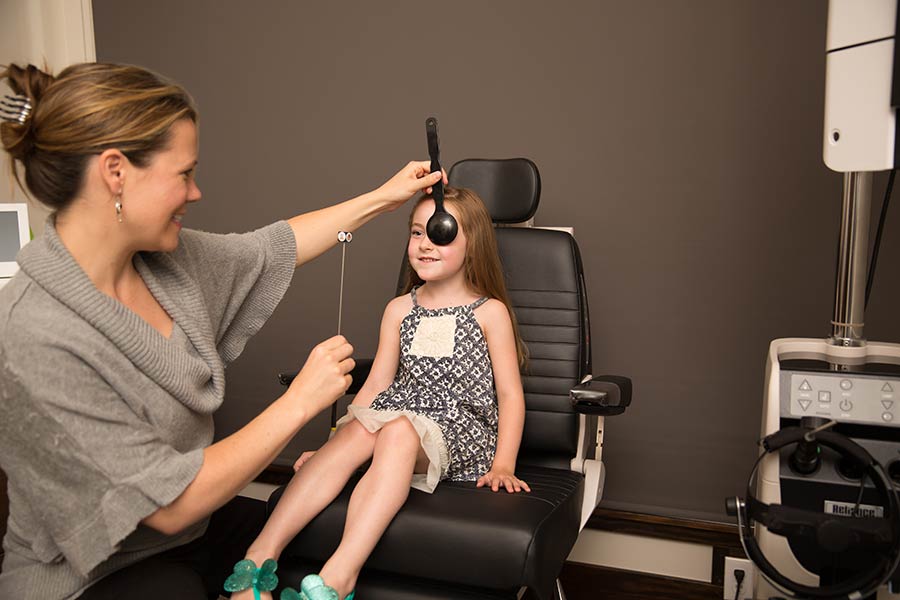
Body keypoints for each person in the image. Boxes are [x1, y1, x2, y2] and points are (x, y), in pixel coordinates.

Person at [0, 62, 445, 600]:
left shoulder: (168, 263)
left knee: (314, 547)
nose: (195, 193)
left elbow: (274, 248)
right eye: (183, 174)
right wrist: (300, 402)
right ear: (115, 172)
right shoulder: (34, 334)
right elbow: (168, 506)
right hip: (91, 578)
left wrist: (383, 197)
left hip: (193, 536)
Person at [232, 187, 531, 600]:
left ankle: (339, 576)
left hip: (461, 431)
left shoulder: (488, 312)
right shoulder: (399, 309)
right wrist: (333, 443)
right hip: (400, 416)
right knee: (364, 430)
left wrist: (503, 465)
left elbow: (510, 395)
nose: (425, 244)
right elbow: (376, 386)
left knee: (398, 430)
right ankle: (259, 559)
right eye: (415, 233)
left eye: (439, 234)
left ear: (472, 244)